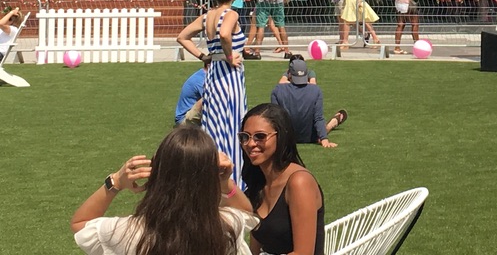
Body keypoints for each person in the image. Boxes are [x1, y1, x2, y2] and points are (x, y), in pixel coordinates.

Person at [71, 125, 256, 255]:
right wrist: (225, 182)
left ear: (157, 172)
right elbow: (246, 213)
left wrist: (115, 182)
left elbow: (81, 224)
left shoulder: (126, 232)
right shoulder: (226, 228)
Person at [177, 0, 247, 187]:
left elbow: (182, 37)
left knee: (213, 124)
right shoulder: (231, 14)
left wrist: (202, 56)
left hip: (213, 74)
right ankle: (234, 180)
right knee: (234, 123)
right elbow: (225, 34)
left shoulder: (207, 16)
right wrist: (229, 56)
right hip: (229, 75)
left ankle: (209, 177)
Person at [241, 103, 326, 255]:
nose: (251, 144)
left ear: (281, 136)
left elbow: (303, 253)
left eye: (260, 136)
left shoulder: (299, 182)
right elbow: (255, 249)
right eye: (245, 137)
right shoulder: (258, 183)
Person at [271, 58, 347, 149]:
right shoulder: (316, 90)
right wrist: (324, 139)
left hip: (286, 138)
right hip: (310, 137)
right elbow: (318, 117)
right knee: (322, 127)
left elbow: (275, 118)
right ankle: (332, 124)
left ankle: (332, 124)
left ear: (289, 74)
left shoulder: (277, 90)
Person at [175, 58, 210, 126]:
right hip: (184, 119)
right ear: (209, 65)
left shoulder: (203, 74)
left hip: (192, 115)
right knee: (210, 96)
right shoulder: (201, 79)